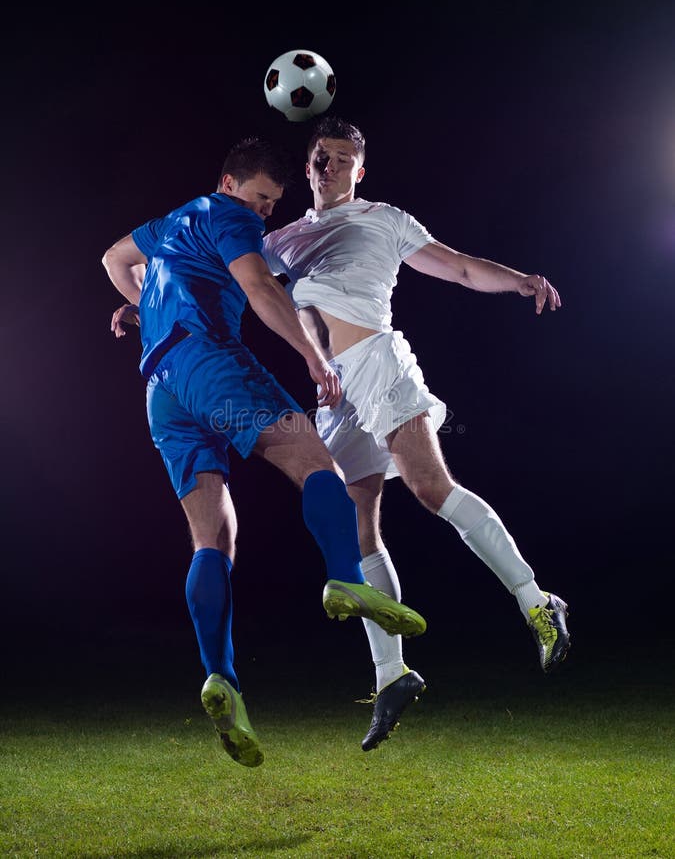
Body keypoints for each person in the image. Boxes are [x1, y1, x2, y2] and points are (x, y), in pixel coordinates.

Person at [101, 136, 427, 769]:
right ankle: (343, 579)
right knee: (316, 462)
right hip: (209, 364)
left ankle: (221, 680)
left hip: (160, 389)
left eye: (273, 205)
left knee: (212, 537)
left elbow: (115, 258)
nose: (263, 214)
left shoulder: (176, 220)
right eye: (258, 199)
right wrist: (313, 356)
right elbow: (260, 288)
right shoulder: (229, 217)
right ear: (229, 184)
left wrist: (140, 304)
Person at [261, 116, 571, 752]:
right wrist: (142, 302)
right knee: (356, 530)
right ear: (309, 161)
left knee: (432, 488)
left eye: (343, 159)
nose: (329, 166)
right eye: (321, 156)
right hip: (334, 391)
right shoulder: (283, 240)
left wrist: (517, 279)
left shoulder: (384, 218)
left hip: (380, 364)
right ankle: (392, 674)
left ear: (359, 170)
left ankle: (537, 600)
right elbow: (233, 284)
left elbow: (456, 269)